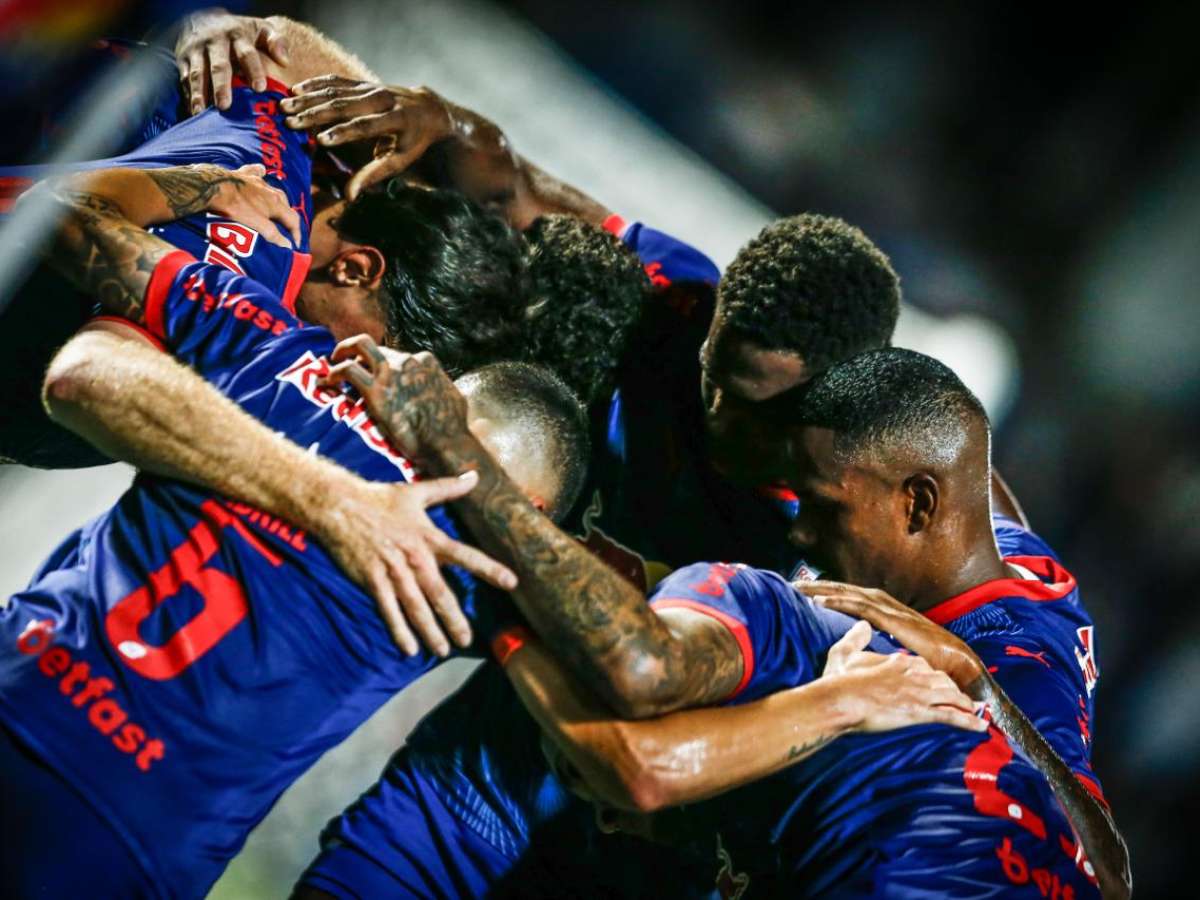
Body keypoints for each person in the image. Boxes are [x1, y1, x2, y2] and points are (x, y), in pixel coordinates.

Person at [311, 344, 1129, 898]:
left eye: (823, 507)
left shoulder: (1010, 654)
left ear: (917, 505)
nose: (800, 533)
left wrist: (977, 687)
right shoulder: (999, 553)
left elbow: (1111, 869)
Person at [0, 163, 586, 899]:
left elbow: (59, 217)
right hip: (132, 851)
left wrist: (206, 183)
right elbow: (646, 682)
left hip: (20, 688)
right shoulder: (493, 575)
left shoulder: (278, 346)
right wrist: (338, 502)